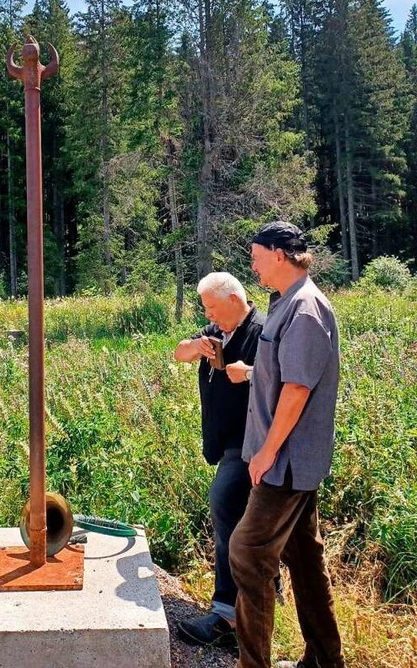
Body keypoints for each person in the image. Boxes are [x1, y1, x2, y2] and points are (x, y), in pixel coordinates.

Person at [228, 221, 345, 668]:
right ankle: (324, 659)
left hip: (287, 463)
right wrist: (253, 372)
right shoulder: (285, 305)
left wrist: (267, 450)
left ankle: (252, 663)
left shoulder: (306, 309)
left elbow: (298, 390)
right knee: (303, 557)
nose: (253, 265)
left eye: (257, 256)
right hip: (285, 459)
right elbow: (284, 374)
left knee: (247, 551)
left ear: (279, 254)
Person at [173, 272, 265, 649]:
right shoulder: (216, 330)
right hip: (225, 441)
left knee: (224, 504)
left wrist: (246, 375)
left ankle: (227, 614)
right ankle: (257, 597)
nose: (207, 312)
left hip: (250, 442)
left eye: (210, 305)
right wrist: (197, 347)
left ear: (232, 300)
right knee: (246, 522)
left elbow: (281, 382)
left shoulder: (261, 331)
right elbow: (178, 351)